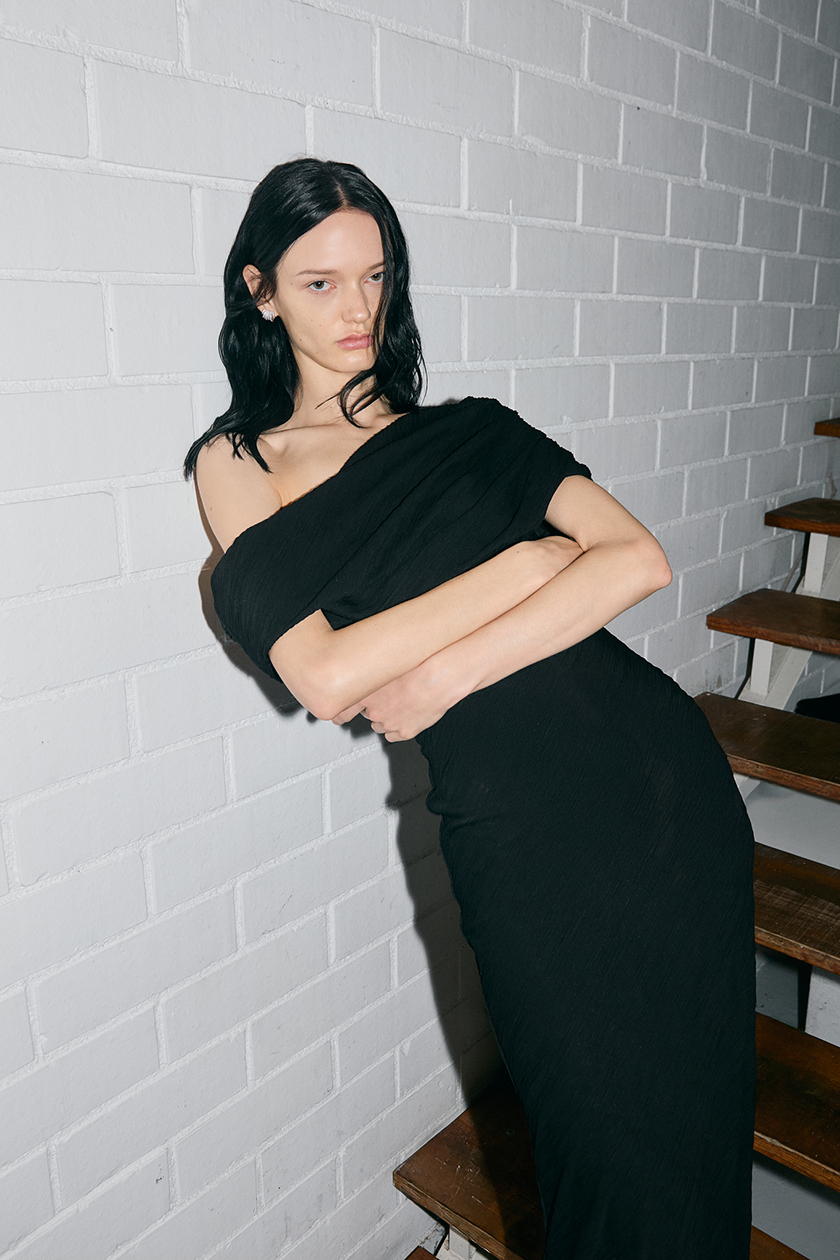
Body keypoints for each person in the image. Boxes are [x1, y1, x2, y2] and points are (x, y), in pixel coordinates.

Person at [186, 158, 755, 1259]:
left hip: (664, 794)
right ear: (259, 290)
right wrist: (532, 563)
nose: (358, 310)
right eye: (319, 283)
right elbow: (328, 675)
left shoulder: (476, 431)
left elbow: (635, 559)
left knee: (690, 1145)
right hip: (520, 825)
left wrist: (444, 673)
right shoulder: (241, 461)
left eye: (376, 276)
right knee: (595, 1151)